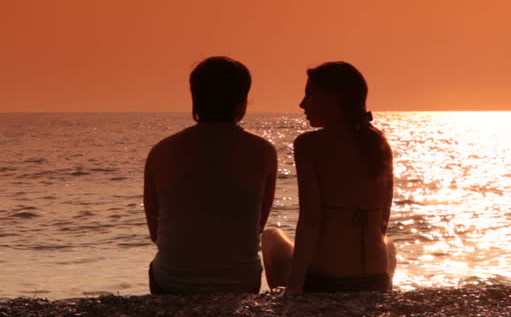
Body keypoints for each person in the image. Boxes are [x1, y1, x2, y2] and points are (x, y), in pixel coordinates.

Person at [143, 56, 278, 294]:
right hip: (240, 282)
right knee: (272, 236)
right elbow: (257, 226)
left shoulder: (162, 151)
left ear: (195, 98)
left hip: (172, 282)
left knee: (161, 263)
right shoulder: (262, 151)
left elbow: (156, 233)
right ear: (242, 101)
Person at [261, 61, 395, 294]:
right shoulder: (379, 142)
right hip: (376, 280)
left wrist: (293, 290)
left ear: (333, 100)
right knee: (388, 243)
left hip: (324, 281)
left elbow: (310, 220)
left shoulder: (308, 144)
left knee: (271, 237)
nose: (302, 104)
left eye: (310, 95)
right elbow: (384, 217)